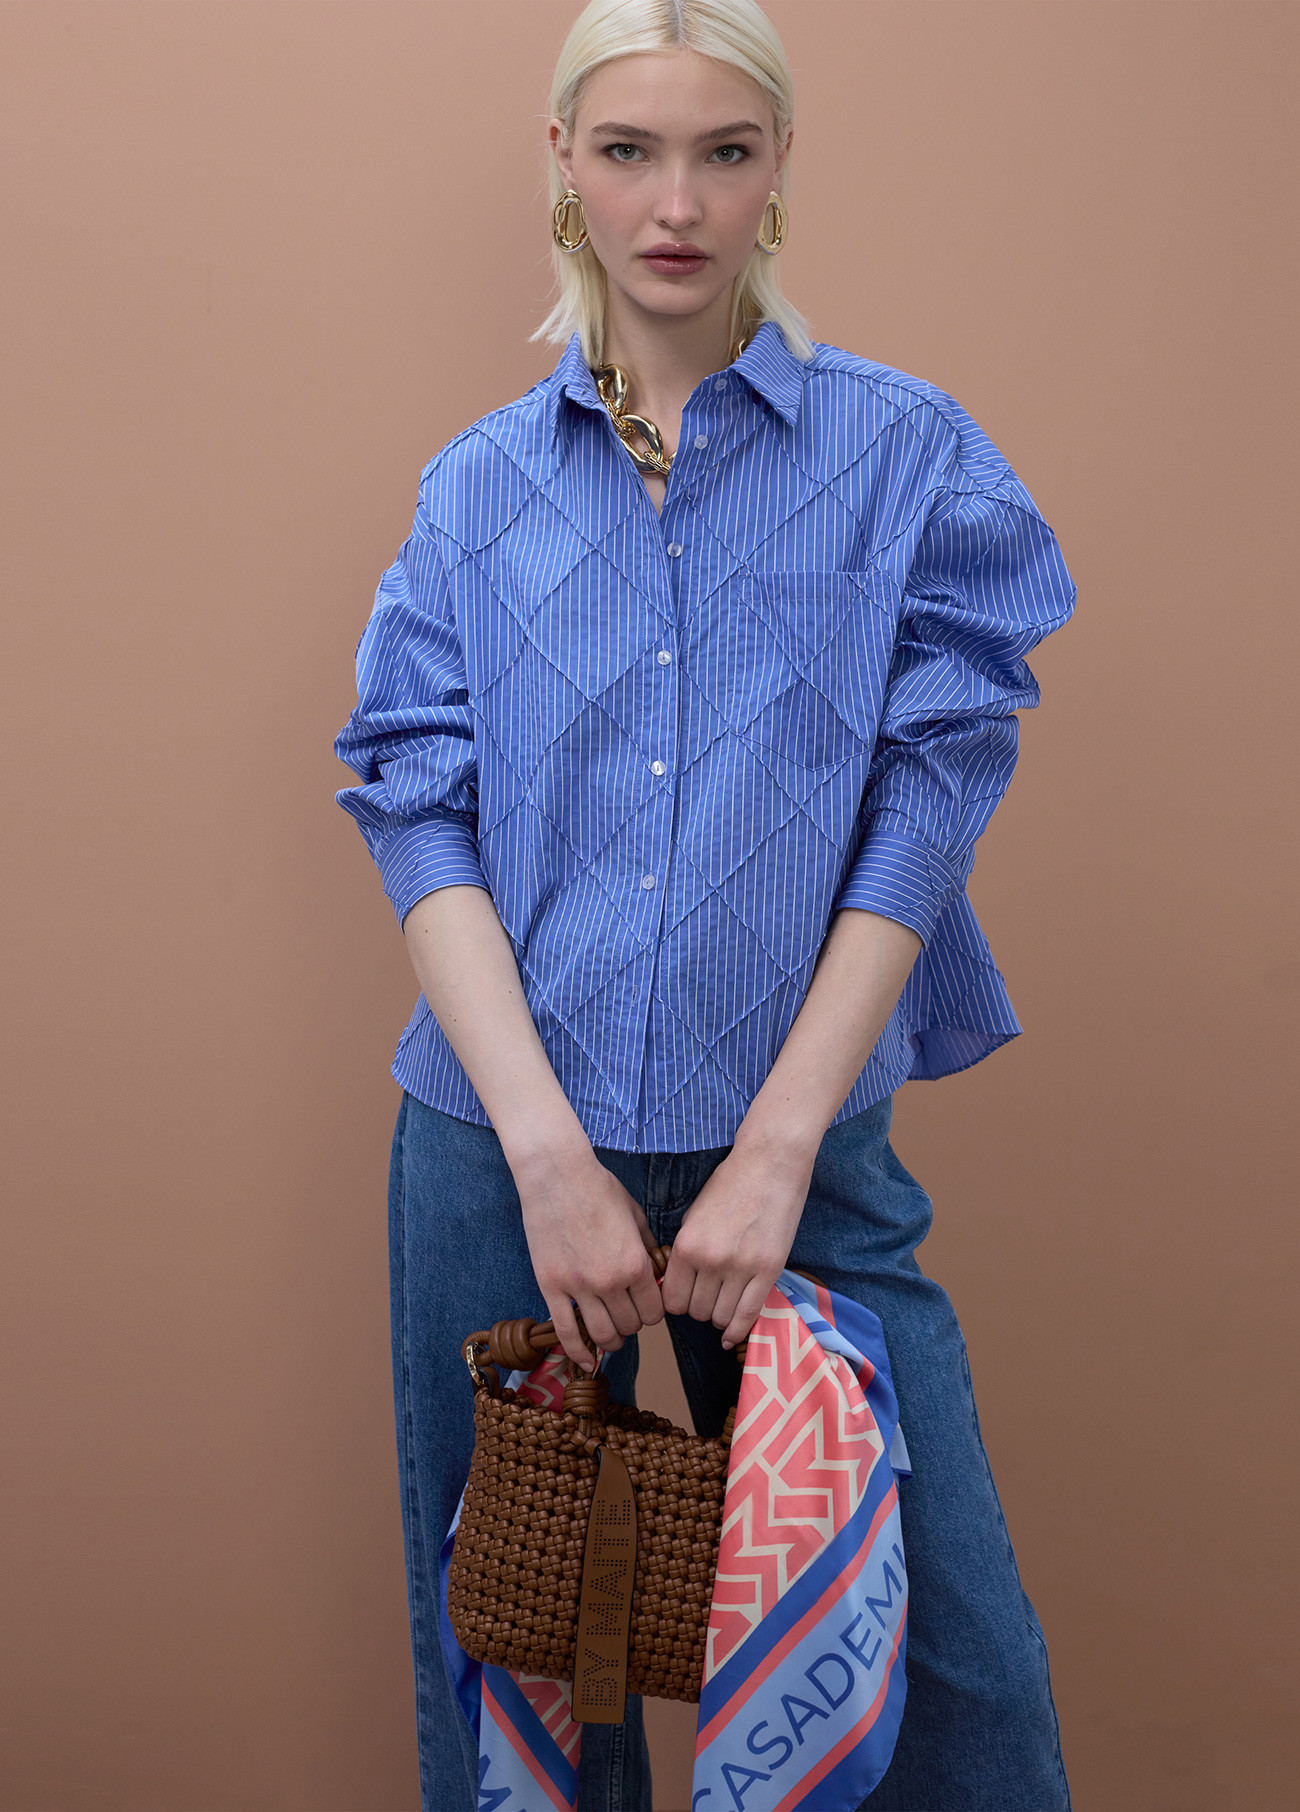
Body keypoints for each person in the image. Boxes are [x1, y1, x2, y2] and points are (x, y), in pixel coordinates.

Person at [333, 2, 1077, 1806]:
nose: (677, 204)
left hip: (799, 1158)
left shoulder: (908, 458)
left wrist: (778, 1152)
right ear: (564, 171)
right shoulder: (477, 488)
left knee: (955, 1680)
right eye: (630, 151)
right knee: (532, 1691)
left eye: (725, 153)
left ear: (779, 174)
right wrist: (546, 1163)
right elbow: (415, 810)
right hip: (504, 1168)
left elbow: (929, 801)